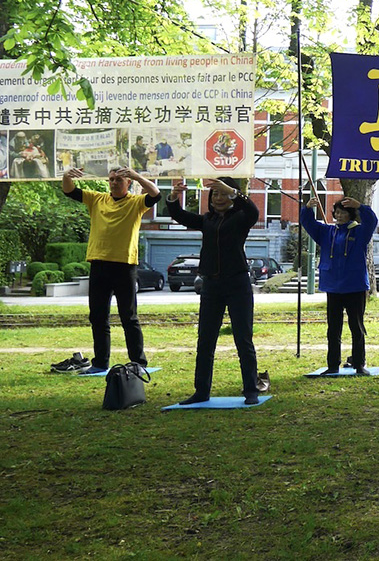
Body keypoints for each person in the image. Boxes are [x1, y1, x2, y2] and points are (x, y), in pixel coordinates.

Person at [167, 177, 262, 404]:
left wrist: (232, 191)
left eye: (223, 194)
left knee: (243, 339)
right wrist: (173, 197)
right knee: (205, 340)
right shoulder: (207, 220)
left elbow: (253, 211)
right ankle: (201, 391)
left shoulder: (241, 218)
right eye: (215, 194)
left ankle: (251, 389)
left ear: (232, 196)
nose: (218, 198)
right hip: (211, 285)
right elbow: (179, 215)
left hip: (237, 284)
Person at [62, 166, 160, 374]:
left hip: (124, 265)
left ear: (128, 183)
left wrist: (136, 176)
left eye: (119, 180)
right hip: (99, 264)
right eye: (112, 179)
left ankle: (138, 362)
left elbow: (155, 194)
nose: (114, 183)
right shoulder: (97, 199)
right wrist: (66, 176)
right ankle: (100, 362)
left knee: (128, 317)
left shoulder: (136, 202)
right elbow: (70, 191)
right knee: (98, 316)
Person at [301, 195, 378, 375]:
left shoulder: (360, 232)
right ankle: (332, 365)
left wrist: (360, 206)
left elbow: (372, 220)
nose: (339, 215)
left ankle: (359, 364)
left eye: (343, 212)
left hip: (354, 286)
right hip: (333, 287)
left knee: (356, 327)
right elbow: (308, 223)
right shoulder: (326, 232)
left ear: (350, 214)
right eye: (337, 212)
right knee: (333, 329)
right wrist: (307, 208)